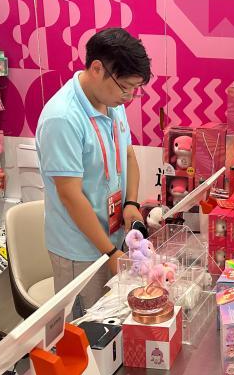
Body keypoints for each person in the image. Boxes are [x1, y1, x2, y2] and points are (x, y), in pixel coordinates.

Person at [36, 28, 150, 316]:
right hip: (81, 250)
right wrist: (109, 252)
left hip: (113, 238)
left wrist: (131, 203)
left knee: (114, 321)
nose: (128, 96)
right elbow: (70, 196)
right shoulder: (63, 118)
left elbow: (128, 155)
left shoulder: (112, 103)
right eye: (125, 87)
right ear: (97, 68)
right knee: (87, 327)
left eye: (134, 89)